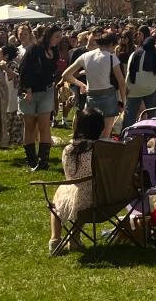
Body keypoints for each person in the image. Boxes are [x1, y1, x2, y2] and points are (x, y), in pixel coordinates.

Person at [47, 108, 104, 253]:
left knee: (58, 200)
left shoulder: (69, 149)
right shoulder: (102, 148)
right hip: (98, 196)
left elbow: (69, 174)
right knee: (82, 196)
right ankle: (74, 237)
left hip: (74, 193)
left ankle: (55, 239)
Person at [62, 31, 126, 138]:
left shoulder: (85, 56)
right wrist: (124, 101)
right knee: (106, 134)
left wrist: (80, 84)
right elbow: (121, 82)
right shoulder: (112, 57)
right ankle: (102, 153)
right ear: (111, 45)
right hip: (108, 97)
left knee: (89, 132)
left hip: (91, 96)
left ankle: (88, 153)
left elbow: (66, 75)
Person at [18, 25, 60, 171]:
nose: (58, 40)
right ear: (48, 36)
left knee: (44, 125)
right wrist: (27, 90)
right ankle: (31, 160)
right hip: (30, 91)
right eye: (56, 37)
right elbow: (23, 70)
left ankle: (43, 162)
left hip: (46, 90)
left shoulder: (54, 51)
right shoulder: (34, 49)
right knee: (29, 125)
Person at [123, 26, 156, 129]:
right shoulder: (155, 56)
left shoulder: (134, 54)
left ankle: (127, 133)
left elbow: (128, 72)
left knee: (130, 113)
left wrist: (127, 87)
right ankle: (153, 132)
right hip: (150, 88)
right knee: (152, 112)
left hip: (134, 88)